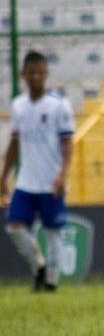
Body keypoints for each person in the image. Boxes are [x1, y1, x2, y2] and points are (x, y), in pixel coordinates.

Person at [1, 51, 74, 292]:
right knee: (14, 226)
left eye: (40, 72)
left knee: (53, 233)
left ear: (46, 73)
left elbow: (67, 143)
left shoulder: (59, 106)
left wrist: (63, 175)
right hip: (25, 182)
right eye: (31, 72)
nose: (35, 76)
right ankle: (39, 267)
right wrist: (4, 176)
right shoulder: (19, 105)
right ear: (23, 74)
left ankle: (51, 283)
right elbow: (14, 143)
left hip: (50, 181)